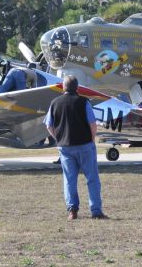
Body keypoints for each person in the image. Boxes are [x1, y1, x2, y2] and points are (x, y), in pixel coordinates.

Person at [44, 75, 107, 220]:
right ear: (77, 88)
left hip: (65, 147)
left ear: (63, 87)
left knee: (69, 179)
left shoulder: (54, 103)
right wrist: (91, 140)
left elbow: (48, 125)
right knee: (92, 179)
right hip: (85, 145)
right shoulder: (84, 102)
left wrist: (58, 138)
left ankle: (72, 211)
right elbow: (92, 124)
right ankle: (96, 211)